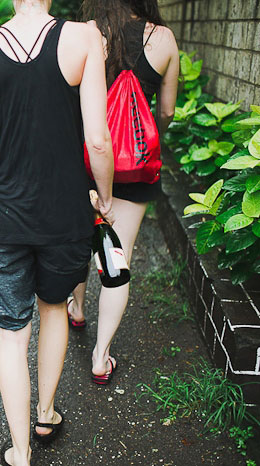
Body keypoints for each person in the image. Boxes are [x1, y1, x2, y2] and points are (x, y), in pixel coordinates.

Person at [0, 0, 114, 463]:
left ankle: (21, 452)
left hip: (2, 217)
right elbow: (99, 139)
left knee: (11, 335)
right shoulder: (84, 38)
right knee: (53, 310)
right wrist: (104, 197)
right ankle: (46, 412)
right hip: (65, 215)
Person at [68, 0, 179, 385]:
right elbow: (166, 111)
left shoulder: (87, 34)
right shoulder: (163, 38)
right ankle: (101, 356)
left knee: (81, 241)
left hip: (83, 160)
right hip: (134, 168)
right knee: (119, 256)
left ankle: (77, 309)